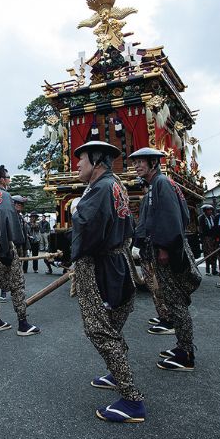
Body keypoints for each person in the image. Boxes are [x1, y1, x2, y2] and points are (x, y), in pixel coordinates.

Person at [69, 140, 146, 423]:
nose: (76, 164)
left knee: (99, 327)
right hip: (118, 258)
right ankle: (117, 372)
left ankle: (131, 399)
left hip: (100, 263)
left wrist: (77, 210)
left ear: (97, 162)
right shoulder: (116, 185)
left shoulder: (100, 188)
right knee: (111, 321)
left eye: (81, 159)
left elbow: (87, 228)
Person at [129, 147, 200, 371]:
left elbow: (173, 218)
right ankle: (181, 345)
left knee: (176, 301)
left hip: (167, 251)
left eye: (141, 162)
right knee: (172, 300)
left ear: (154, 163)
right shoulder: (158, 185)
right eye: (135, 162)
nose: (137, 166)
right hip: (163, 248)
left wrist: (165, 249)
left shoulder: (162, 184)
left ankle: (186, 353)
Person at [0, 165, 40, 336]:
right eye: (8, 176)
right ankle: (23, 323)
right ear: (2, 180)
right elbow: (6, 220)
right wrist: (12, 245)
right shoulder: (5, 196)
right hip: (1, 241)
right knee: (17, 282)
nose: (9, 179)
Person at [135, 183, 175, 335]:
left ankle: (168, 319)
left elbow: (144, 224)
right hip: (149, 246)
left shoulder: (150, 198)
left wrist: (138, 242)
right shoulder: (150, 197)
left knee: (156, 284)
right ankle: (162, 315)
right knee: (154, 285)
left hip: (150, 245)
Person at [198, 204, 217, 277]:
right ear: (205, 211)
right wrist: (202, 239)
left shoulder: (212, 217)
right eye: (208, 210)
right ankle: (208, 270)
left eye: (211, 210)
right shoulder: (201, 218)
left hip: (213, 237)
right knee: (208, 254)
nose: (210, 211)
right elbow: (200, 229)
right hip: (206, 238)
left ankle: (214, 270)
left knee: (214, 253)